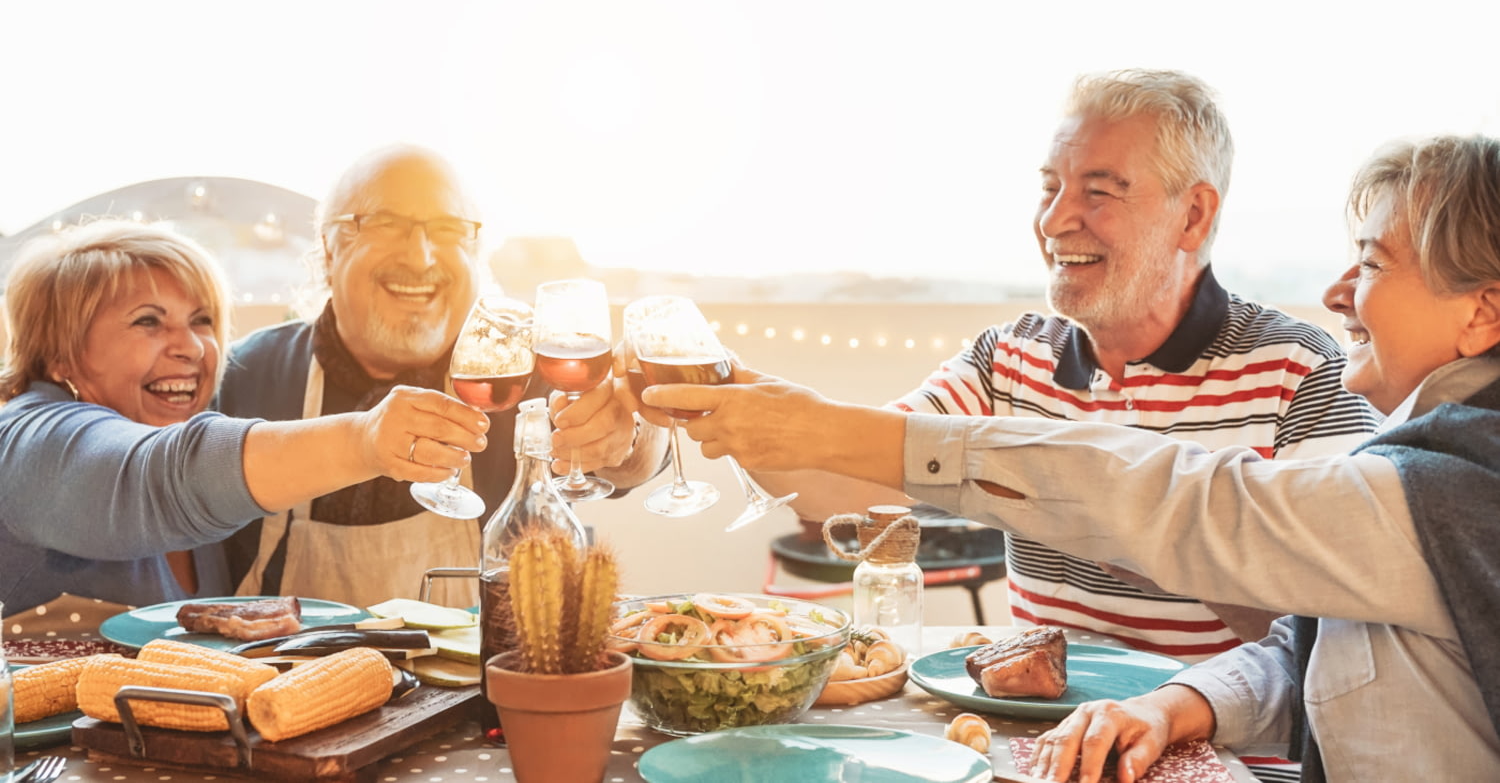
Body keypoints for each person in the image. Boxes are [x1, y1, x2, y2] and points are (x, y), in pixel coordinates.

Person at [647, 134, 1500, 780]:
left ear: (1481, 314)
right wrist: (1179, 703)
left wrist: (1130, 502)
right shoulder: (1012, 351)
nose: (1338, 290)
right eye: (1051, 187)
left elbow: (1211, 518)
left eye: (1373, 261)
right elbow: (1324, 645)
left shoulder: (1449, 483)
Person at [717, 69, 1379, 663]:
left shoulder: (1303, 372)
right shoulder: (1010, 357)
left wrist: (1129, 523)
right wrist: (726, 405)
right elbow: (852, 488)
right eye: (1050, 187)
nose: (1055, 219)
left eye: (1099, 192)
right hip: (1043, 735)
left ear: (1193, 214)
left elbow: (1332, 630)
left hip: (1230, 747)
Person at [213, 144, 667, 608]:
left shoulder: (520, 362)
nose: (421, 257)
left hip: (483, 675)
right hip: (290, 672)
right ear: (329, 250)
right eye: (386, 224)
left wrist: (629, 437)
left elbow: (634, 466)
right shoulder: (249, 373)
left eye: (448, 229)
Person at [0, 219, 489, 614]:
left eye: (202, 320)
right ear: (59, 355)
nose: (191, 347)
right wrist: (364, 439)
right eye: (148, 321)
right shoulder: (29, 442)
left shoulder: (193, 419)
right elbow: (163, 474)